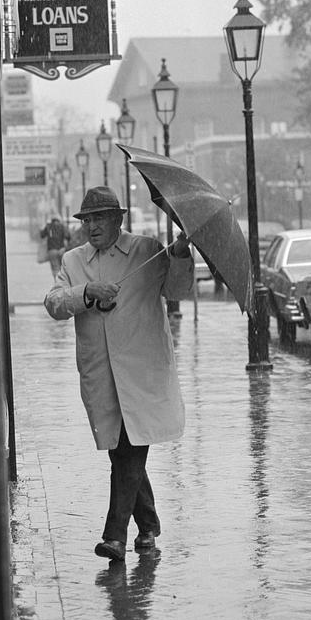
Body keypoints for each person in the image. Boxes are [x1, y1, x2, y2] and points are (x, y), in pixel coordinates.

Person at [44, 186, 193, 561]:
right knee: (121, 452)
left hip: (142, 373)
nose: (91, 226)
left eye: (99, 218)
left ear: (118, 220)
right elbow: (54, 303)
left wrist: (178, 252)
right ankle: (149, 526)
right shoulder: (73, 260)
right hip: (101, 374)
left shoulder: (146, 250)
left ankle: (114, 536)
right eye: (87, 219)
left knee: (129, 449)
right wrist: (87, 293)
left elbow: (177, 289)